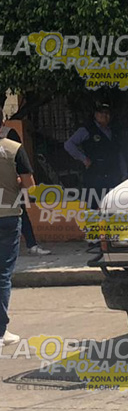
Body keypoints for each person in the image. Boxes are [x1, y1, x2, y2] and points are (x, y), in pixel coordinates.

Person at [0, 128, 35, 345]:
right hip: (8, 215)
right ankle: (1, 330)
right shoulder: (14, 149)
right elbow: (30, 184)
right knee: (2, 274)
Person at [64, 103, 128, 209]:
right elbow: (69, 145)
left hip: (113, 176)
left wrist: (124, 172)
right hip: (95, 177)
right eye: (101, 112)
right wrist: (84, 159)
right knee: (94, 207)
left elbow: (118, 153)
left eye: (107, 113)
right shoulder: (87, 130)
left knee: (112, 207)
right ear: (95, 114)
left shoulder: (113, 131)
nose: (104, 115)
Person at [0, 123, 50, 256]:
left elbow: (18, 162)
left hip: (9, 187)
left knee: (20, 213)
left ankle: (31, 244)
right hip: (10, 188)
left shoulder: (10, 135)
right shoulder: (12, 144)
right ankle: (31, 245)